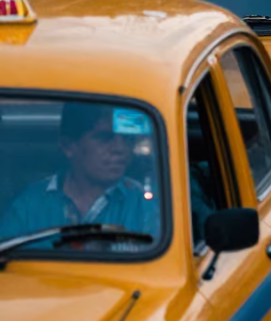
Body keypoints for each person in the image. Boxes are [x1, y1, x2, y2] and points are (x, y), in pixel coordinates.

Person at [3, 101, 159, 241]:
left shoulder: (144, 206)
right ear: (68, 146)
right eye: (104, 138)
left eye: (127, 139)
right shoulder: (30, 205)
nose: (120, 148)